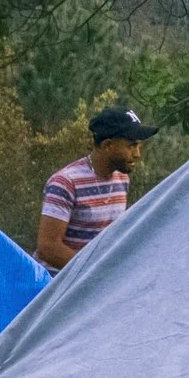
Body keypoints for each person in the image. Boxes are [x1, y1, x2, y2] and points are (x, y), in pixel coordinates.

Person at [37, 106, 154, 270]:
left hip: (96, 285)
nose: (137, 154)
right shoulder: (65, 182)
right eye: (131, 146)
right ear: (107, 145)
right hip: (58, 286)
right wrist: (96, 273)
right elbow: (48, 248)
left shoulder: (122, 178)